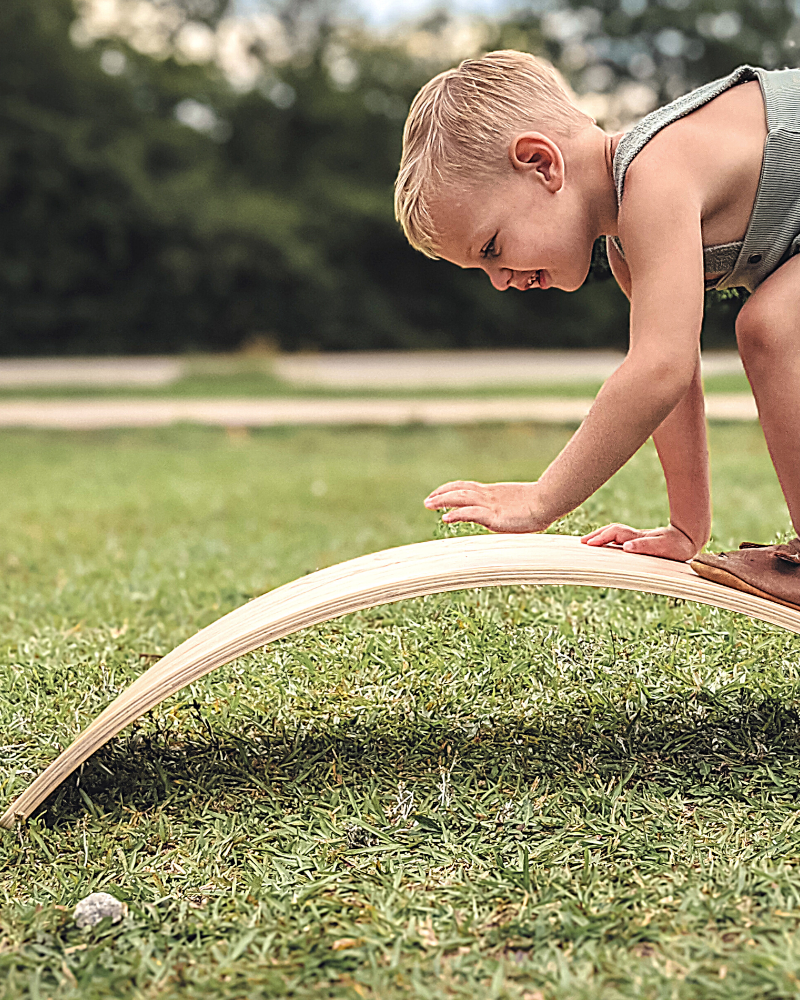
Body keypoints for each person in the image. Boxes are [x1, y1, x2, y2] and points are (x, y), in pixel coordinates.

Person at [394, 50, 800, 612]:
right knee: (771, 326)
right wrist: (687, 528)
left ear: (541, 164)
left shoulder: (655, 176)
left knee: (771, 326)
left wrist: (543, 499)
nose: (500, 281)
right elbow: (673, 377)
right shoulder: (628, 244)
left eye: (493, 248)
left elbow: (660, 370)